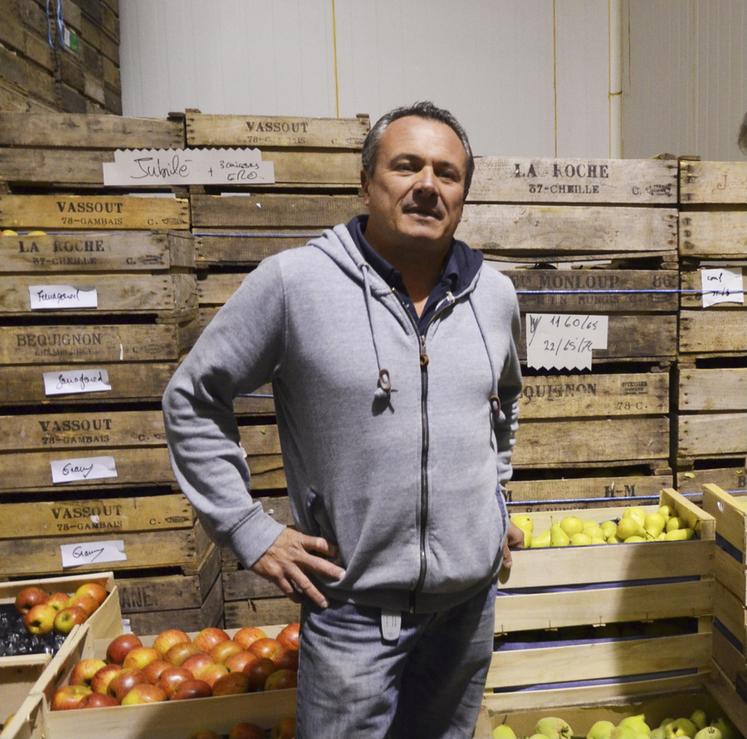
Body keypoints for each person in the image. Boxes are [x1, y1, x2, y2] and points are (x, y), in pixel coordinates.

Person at [162, 101, 523, 739]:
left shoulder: (493, 295)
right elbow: (193, 396)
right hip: (353, 612)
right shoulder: (295, 284)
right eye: (406, 166)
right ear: (366, 182)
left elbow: (503, 405)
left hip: (467, 612)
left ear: (464, 194)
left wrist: (492, 502)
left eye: (447, 173)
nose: (427, 186)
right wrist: (248, 528)